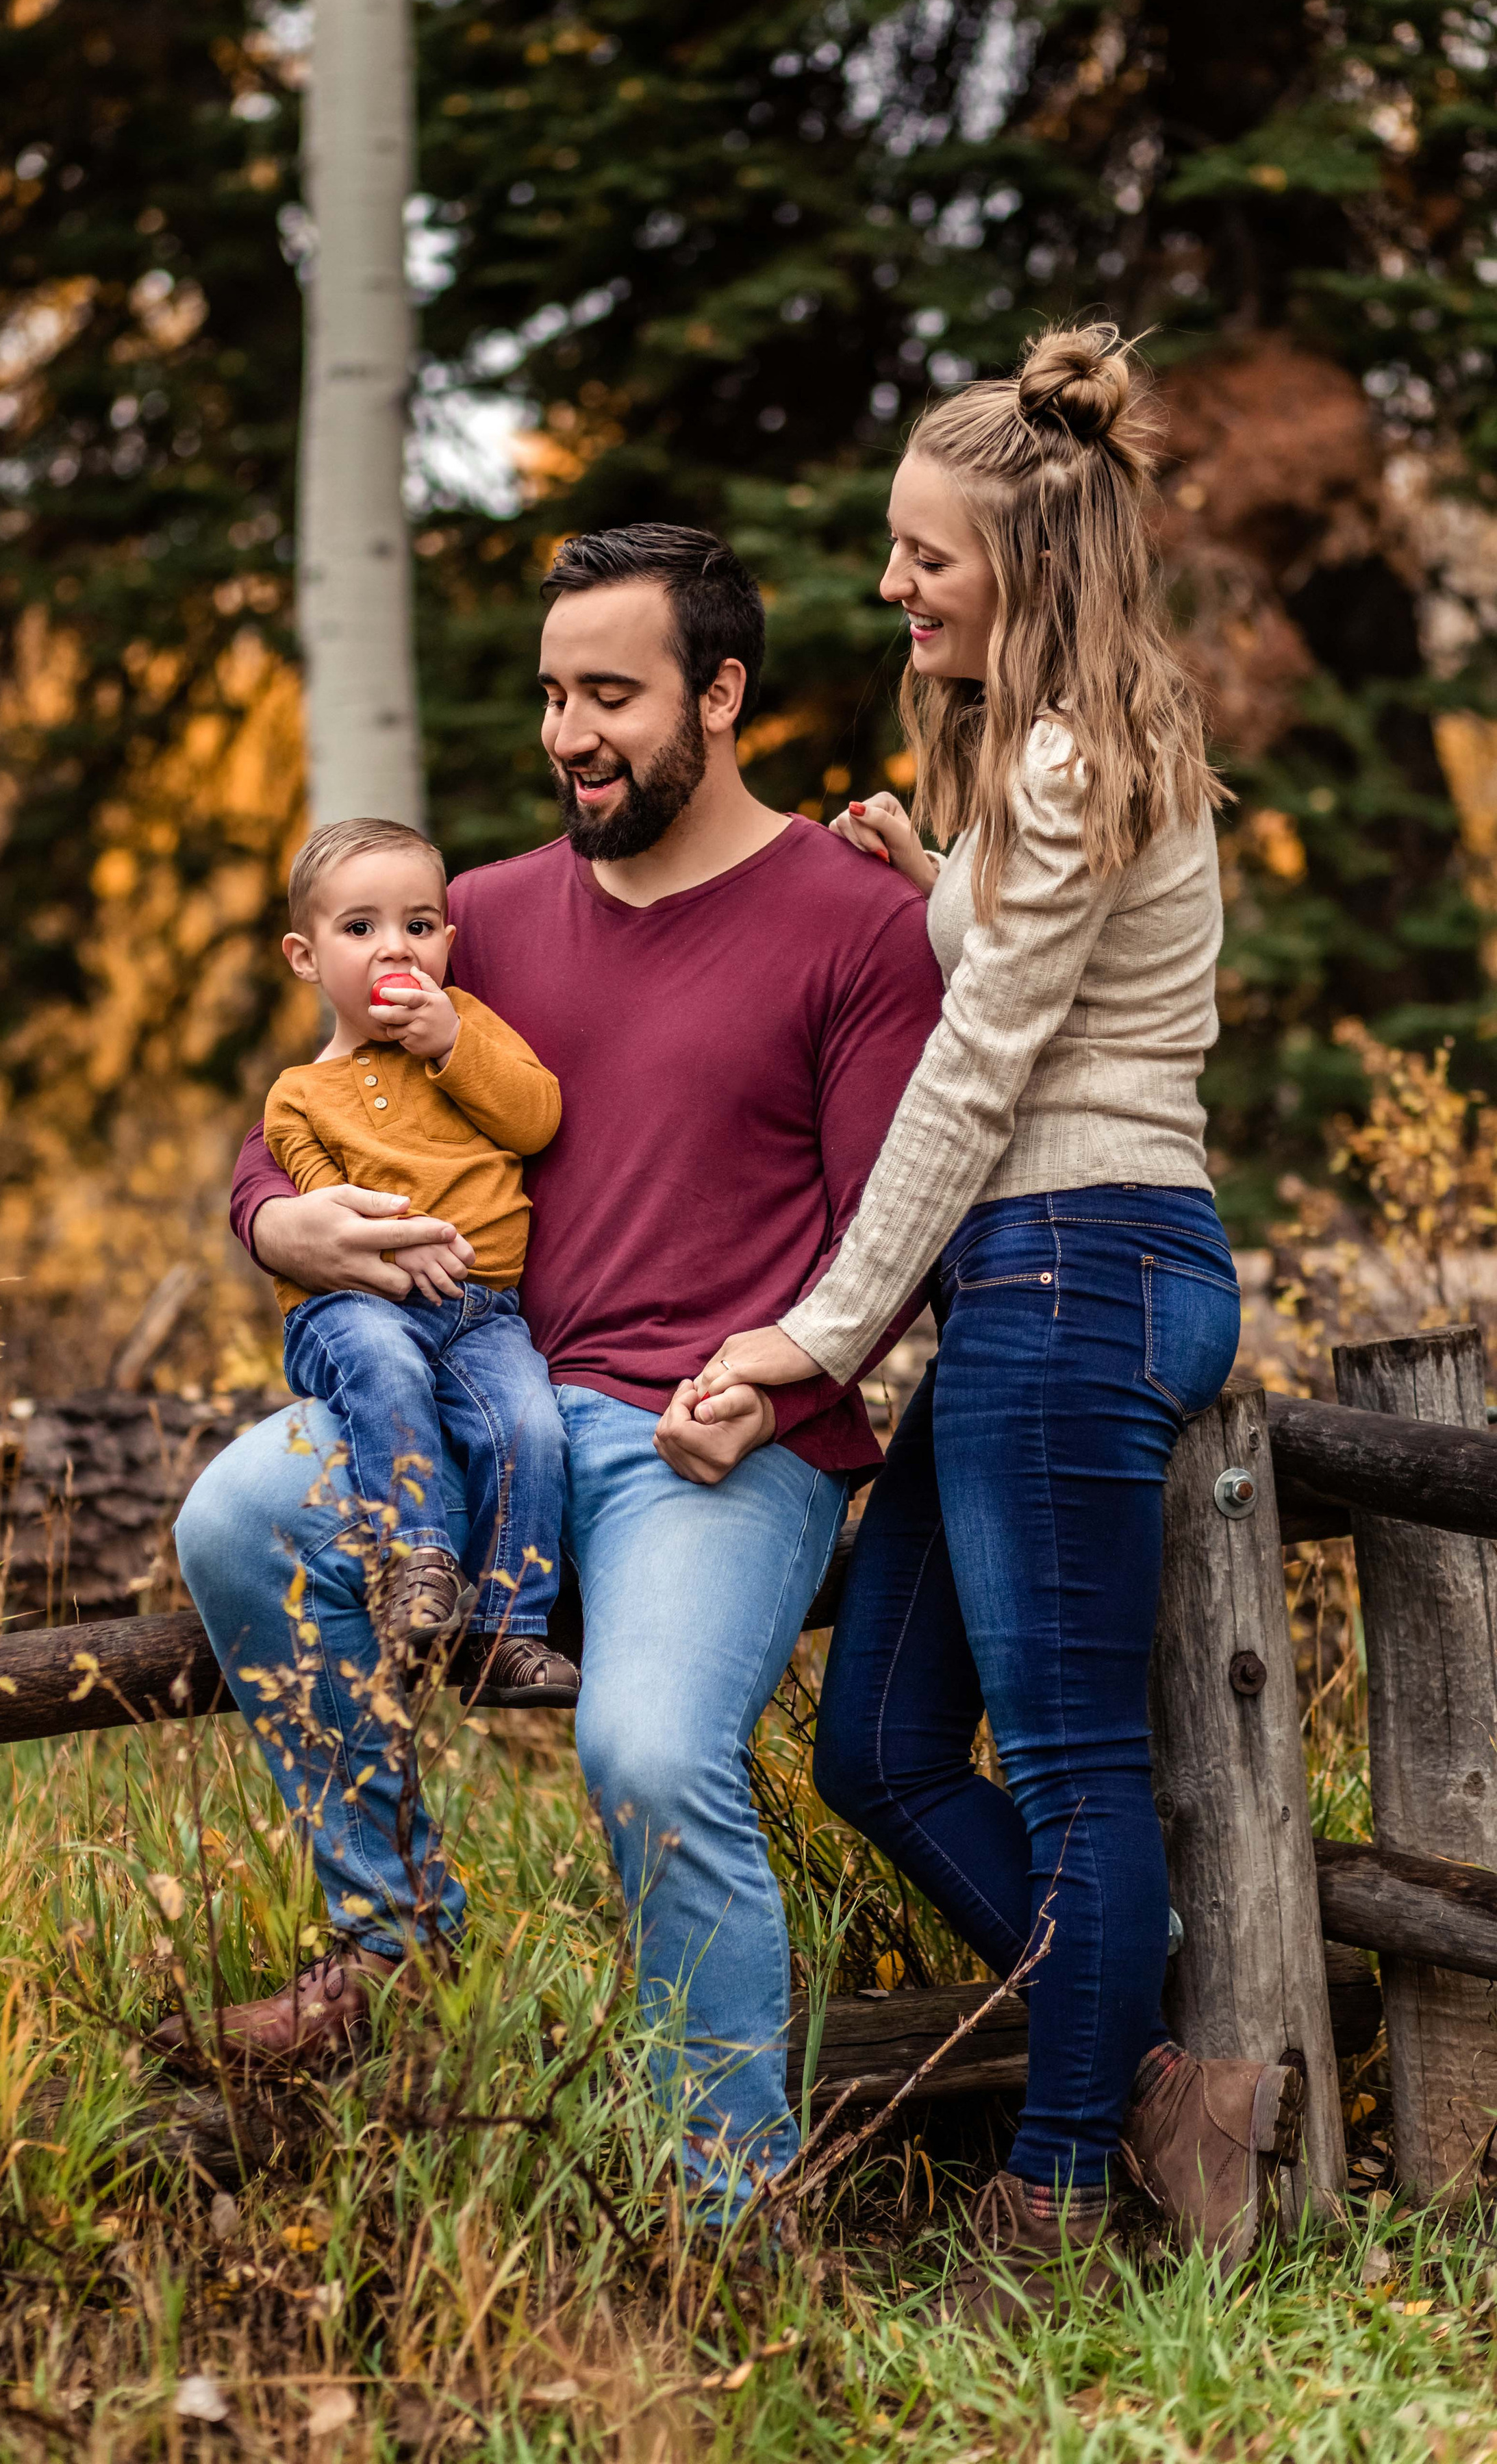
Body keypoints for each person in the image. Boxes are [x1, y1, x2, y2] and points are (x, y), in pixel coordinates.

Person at [163, 525, 944, 2215]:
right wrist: (272, 1228)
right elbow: (305, 1117)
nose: (565, 734)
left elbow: (900, 1219)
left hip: (722, 1443)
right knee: (235, 1518)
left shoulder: (857, 924)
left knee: (651, 1753)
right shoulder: (485, 917)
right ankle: (393, 1941)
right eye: (549, 695)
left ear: (719, 695)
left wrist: (777, 1374)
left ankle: (724, 2210)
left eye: (610, 694)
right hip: (474, 1398)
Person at [690, 325, 1296, 2315]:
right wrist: (930, 872)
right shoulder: (1066, 758)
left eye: (923, 556)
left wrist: (820, 1331)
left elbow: (982, 1070)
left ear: (1021, 567)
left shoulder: (1061, 759)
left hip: (1072, 1268)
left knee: (1068, 1772)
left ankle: (1044, 2220)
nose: (892, 588)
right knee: (876, 1741)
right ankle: (1163, 2081)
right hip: (1067, 1275)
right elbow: (1034, 968)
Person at [261, 812, 577, 1704]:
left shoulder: (468, 1025)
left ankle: (507, 1634)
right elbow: (327, 1213)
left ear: (447, 939)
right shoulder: (299, 1096)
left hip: (484, 1308)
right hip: (359, 1306)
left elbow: (535, 1117)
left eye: (419, 925)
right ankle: (418, 1561)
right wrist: (395, 1252)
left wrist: (450, 1045)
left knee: (531, 1425)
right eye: (360, 929)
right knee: (385, 1363)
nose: (394, 947)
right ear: (306, 957)